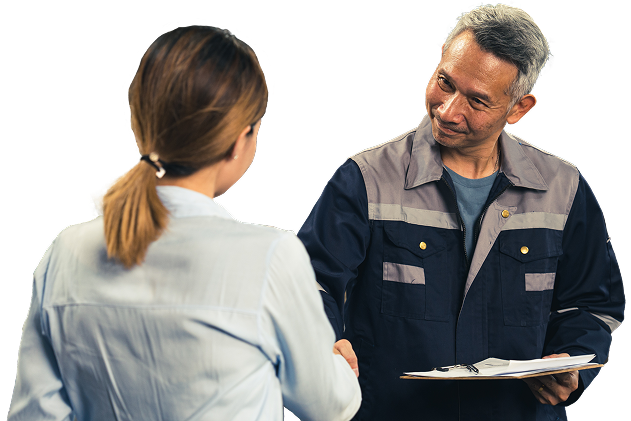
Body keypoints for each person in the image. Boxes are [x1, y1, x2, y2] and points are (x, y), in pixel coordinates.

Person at [9, 26, 361, 421]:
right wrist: (335, 365)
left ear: (139, 122)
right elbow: (329, 406)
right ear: (239, 140)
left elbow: (34, 414)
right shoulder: (270, 257)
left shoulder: (66, 251)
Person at [297, 4, 624, 420]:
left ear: (519, 108)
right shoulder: (364, 179)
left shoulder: (564, 188)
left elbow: (592, 302)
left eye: (477, 100)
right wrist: (321, 340)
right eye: (444, 82)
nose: (449, 111)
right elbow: (310, 286)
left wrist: (574, 361)